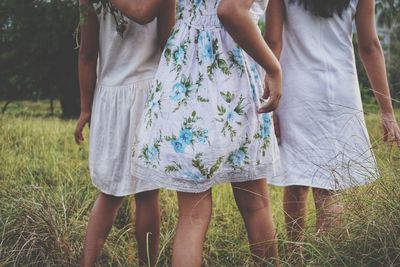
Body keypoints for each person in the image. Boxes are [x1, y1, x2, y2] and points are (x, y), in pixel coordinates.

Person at [130, 0, 282, 265]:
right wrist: (273, 67)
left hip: (186, 73)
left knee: (192, 216)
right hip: (231, 74)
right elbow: (231, 11)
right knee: (255, 204)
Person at [264, 0, 400, 256]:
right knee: (330, 187)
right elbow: (370, 47)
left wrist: (268, 99)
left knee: (295, 181)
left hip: (295, 92)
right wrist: (386, 111)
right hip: (340, 92)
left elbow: (272, 42)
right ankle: (327, 258)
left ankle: (295, 256)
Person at [74, 0, 175, 266]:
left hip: (109, 95)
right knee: (147, 192)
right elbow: (167, 40)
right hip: (146, 94)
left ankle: (87, 263)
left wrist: (86, 107)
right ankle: (147, 264)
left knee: (109, 193)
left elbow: (86, 54)